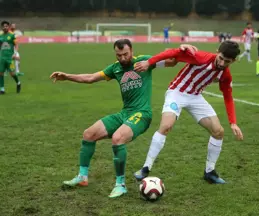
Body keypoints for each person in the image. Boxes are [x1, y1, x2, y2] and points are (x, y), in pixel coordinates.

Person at [50, 39, 196, 198]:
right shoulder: (115, 68)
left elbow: (171, 62)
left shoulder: (144, 62)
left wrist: (182, 49)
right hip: (124, 113)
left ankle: (120, 184)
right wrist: (67, 76)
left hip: (142, 114)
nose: (122, 58)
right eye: (119, 55)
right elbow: (90, 78)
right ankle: (82, 177)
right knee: (88, 134)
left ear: (132, 51)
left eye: (125, 54)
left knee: (118, 138)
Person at [133, 40, 244, 184]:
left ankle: (210, 172)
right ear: (217, 51)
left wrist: (233, 122)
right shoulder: (200, 57)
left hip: (196, 97)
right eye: (221, 58)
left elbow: (228, 97)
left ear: (233, 61)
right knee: (166, 126)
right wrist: (149, 62)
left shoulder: (225, 75)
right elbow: (173, 53)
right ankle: (145, 168)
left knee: (218, 132)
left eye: (227, 61)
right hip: (177, 92)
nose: (222, 63)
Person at [0, 20, 20, 94]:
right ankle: (2, 89)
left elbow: (17, 44)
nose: (5, 27)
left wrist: (15, 53)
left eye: (6, 26)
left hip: (9, 58)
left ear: (8, 27)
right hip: (2, 57)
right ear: (2, 27)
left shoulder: (12, 35)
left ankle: (18, 83)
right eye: (3, 26)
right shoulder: (0, 36)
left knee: (12, 74)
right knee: (1, 73)